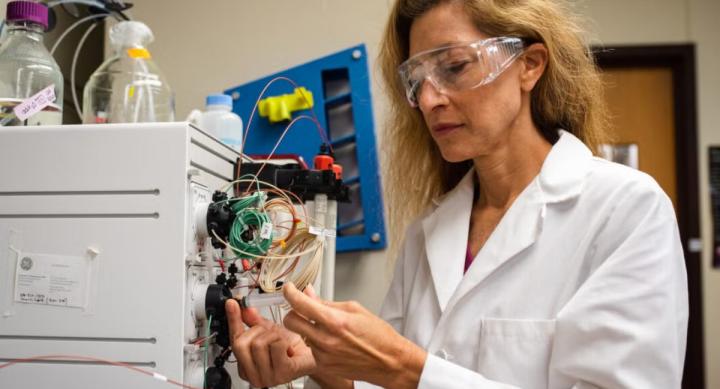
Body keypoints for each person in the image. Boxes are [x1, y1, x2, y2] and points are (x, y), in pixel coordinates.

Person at [224, 0, 689, 388]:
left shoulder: (625, 210)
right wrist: (329, 369)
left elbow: (407, 370)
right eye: (417, 80)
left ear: (529, 65)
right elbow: (387, 380)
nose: (429, 100)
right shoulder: (432, 229)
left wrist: (408, 369)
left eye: (454, 66)